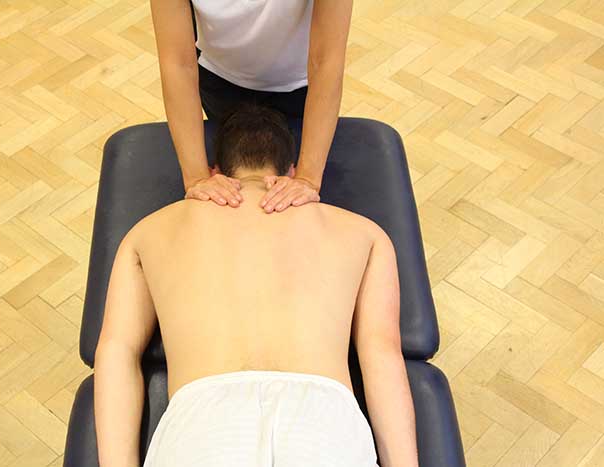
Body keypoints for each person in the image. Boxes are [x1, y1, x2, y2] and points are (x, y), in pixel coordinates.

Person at [94, 104, 419, 467]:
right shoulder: (365, 233)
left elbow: (116, 351)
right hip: (323, 428)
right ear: (291, 171)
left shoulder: (146, 232)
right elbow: (382, 355)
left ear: (216, 171)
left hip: (201, 431)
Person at [149, 0, 353, 215]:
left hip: (301, 87)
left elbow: (325, 61)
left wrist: (308, 179)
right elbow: (178, 63)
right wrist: (196, 178)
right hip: (220, 80)